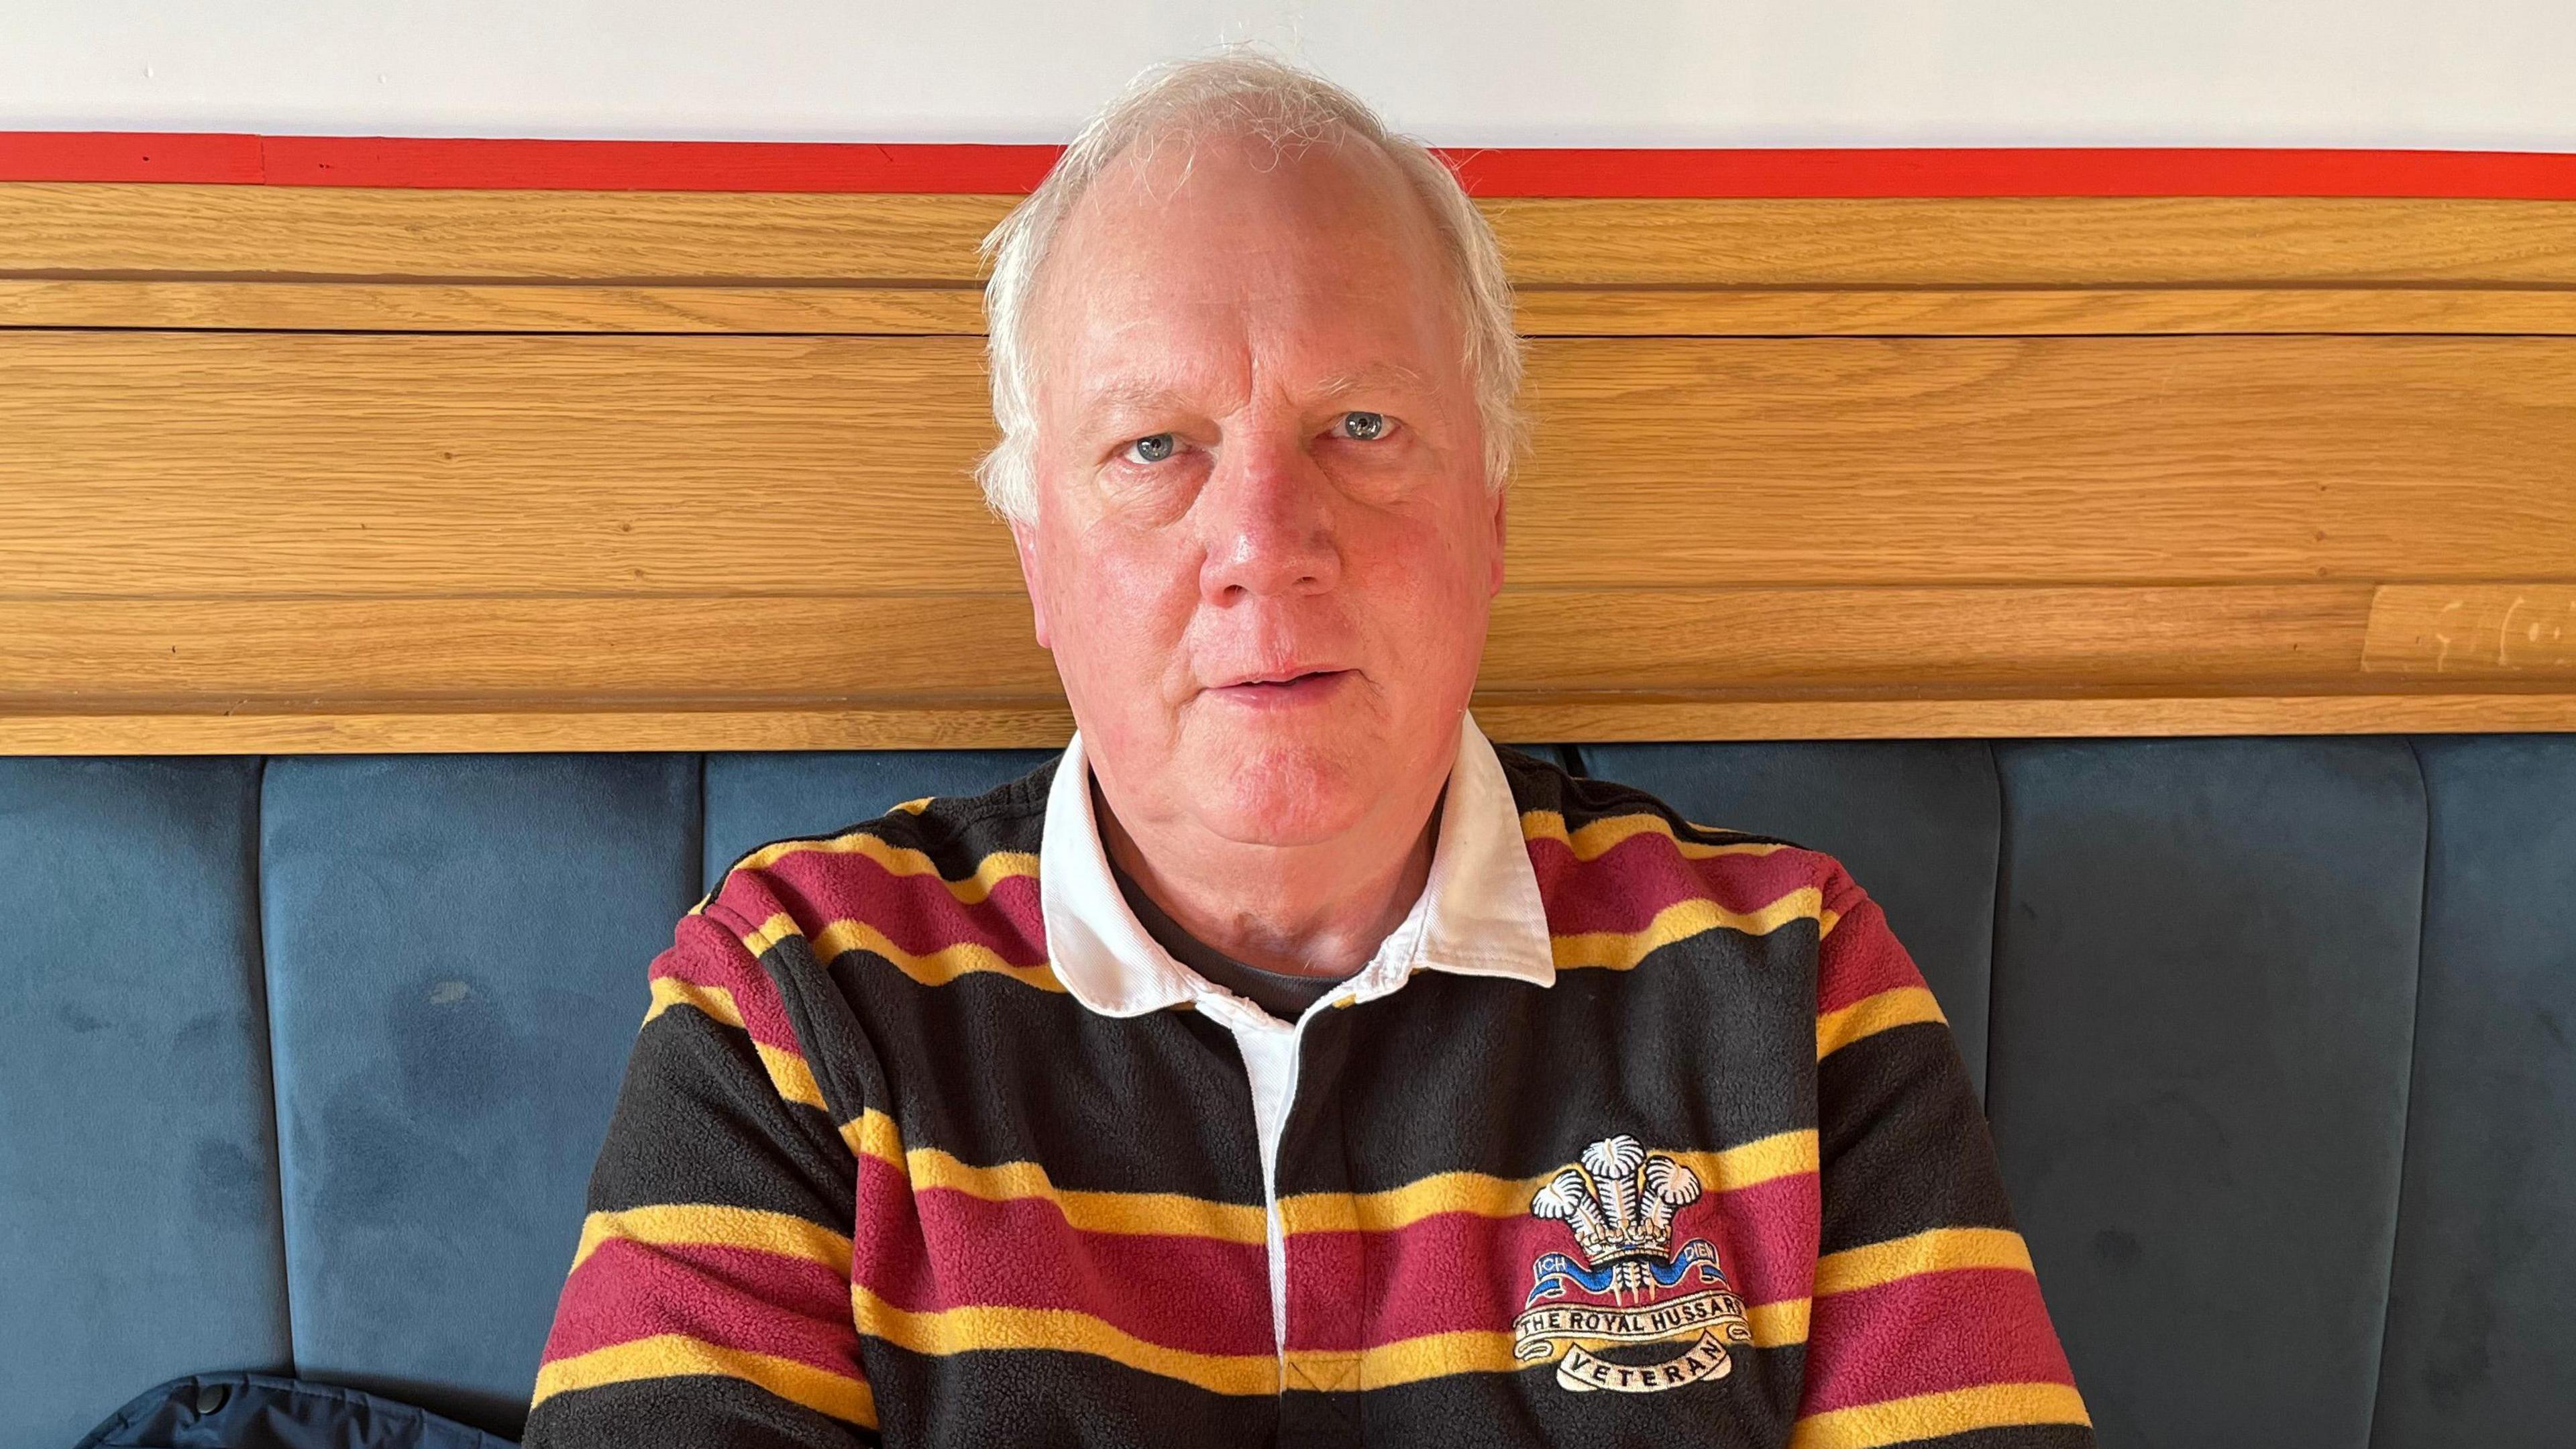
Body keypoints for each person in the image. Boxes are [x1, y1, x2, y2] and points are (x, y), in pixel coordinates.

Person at [521, 52, 2093, 1449]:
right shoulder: (793, 1004)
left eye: (1361, 429)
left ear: (1490, 517)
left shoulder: (1789, 981)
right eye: (1156, 447)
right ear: (1037, 555)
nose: (1266, 545)